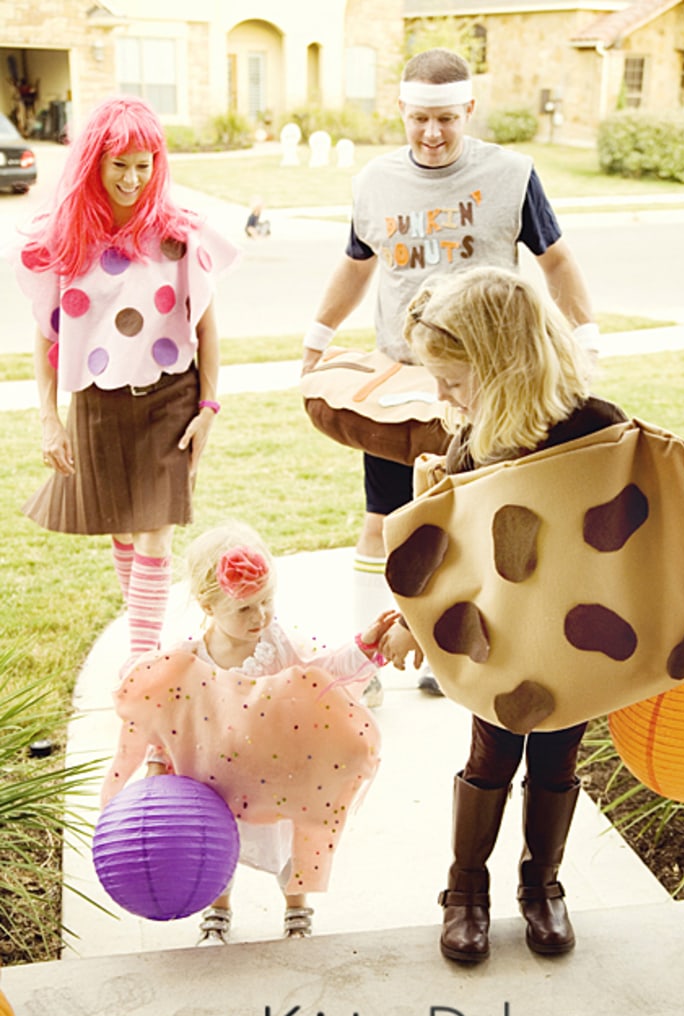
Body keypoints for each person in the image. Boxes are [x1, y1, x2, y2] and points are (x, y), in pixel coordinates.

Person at [301, 48, 600, 700]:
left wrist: (587, 339)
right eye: (418, 120)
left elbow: (555, 260)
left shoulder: (513, 175)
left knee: (476, 519)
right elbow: (355, 267)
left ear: (469, 109)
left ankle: (446, 648)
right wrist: (316, 341)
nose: (432, 135)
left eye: (446, 119)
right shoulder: (374, 182)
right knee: (383, 518)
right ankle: (366, 659)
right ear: (400, 112)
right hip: (403, 381)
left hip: (490, 387)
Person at [378, 266, 631, 964]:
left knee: (558, 758)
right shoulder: (477, 444)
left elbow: (646, 518)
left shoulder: (598, 428)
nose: (443, 398)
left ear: (503, 364)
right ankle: (465, 889)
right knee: (491, 756)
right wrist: (409, 620)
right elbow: (442, 545)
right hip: (500, 640)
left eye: (453, 382)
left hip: (575, 638)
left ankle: (542, 884)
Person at [13, 95, 238, 664]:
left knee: (154, 534)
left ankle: (143, 669)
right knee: (121, 527)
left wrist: (208, 407)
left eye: (145, 164)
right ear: (94, 161)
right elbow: (46, 336)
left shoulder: (178, 235)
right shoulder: (61, 240)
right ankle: (147, 647)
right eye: (120, 164)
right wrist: (49, 420)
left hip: (169, 399)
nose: (134, 178)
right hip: (96, 402)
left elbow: (207, 326)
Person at [102, 520, 396, 943]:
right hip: (212, 786)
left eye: (267, 602)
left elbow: (327, 669)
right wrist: (156, 764)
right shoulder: (187, 658)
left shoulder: (279, 644)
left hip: (277, 778)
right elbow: (167, 720)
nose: (260, 616)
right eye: (244, 609)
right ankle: (217, 914)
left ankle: (297, 912)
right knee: (216, 852)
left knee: (287, 854)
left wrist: (365, 645)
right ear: (208, 606)